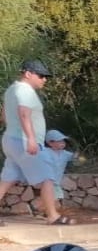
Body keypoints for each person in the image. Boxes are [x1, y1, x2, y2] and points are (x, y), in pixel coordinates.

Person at [0, 59, 69, 225]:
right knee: (47, 177)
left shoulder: (11, 90)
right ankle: (53, 216)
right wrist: (31, 139)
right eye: (41, 75)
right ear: (28, 73)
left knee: (7, 178)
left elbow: (3, 115)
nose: (44, 79)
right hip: (25, 141)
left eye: (45, 76)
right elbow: (24, 114)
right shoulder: (25, 91)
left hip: (11, 140)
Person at [41, 129, 76, 205]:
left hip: (56, 181)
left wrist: (78, 157)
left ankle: (47, 212)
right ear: (50, 143)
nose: (63, 143)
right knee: (52, 198)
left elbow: (74, 158)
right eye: (59, 141)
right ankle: (47, 212)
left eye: (63, 141)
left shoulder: (65, 154)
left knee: (56, 198)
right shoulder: (45, 152)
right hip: (47, 181)